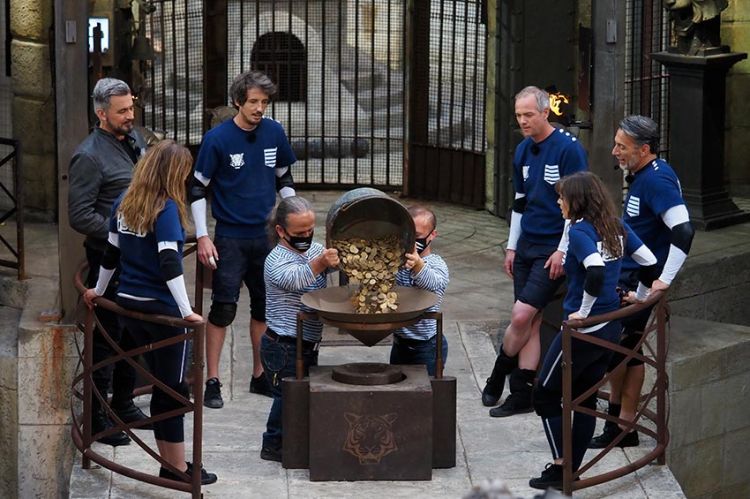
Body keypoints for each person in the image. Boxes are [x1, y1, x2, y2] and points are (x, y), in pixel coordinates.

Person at [84, 140, 217, 485]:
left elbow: (110, 256)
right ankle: (177, 469)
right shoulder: (167, 209)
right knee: (173, 391)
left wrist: (97, 292)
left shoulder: (123, 203)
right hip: (162, 313)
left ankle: (170, 463)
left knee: (161, 385)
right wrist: (187, 312)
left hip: (127, 306)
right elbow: (170, 263)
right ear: (174, 173)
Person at [529, 172, 657, 490]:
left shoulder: (580, 230)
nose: (558, 201)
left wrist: (582, 314)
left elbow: (595, 271)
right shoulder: (615, 224)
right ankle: (572, 471)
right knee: (583, 398)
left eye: (562, 197)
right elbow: (650, 261)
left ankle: (561, 467)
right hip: (610, 328)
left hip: (584, 331)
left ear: (577, 200)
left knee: (544, 394)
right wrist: (640, 298)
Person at [189, 70, 297, 408]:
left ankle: (260, 374)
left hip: (266, 237)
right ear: (238, 101)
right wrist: (204, 236)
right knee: (222, 309)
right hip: (230, 237)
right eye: (253, 101)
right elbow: (197, 188)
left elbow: (285, 178)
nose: (259, 108)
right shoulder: (218, 139)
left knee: (265, 307)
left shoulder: (274, 132)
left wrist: (291, 220)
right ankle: (213, 380)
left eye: (264, 102)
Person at [589, 115, 694, 450]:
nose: (614, 151)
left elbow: (684, 231)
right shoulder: (643, 175)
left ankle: (622, 424)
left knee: (621, 348)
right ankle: (620, 421)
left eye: (622, 146)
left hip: (641, 282)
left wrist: (663, 280)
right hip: (631, 277)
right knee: (624, 351)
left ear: (644, 149)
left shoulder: (656, 181)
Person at [482, 86, 588, 417]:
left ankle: (499, 372)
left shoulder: (569, 149)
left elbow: (578, 206)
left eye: (529, 114)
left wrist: (562, 250)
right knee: (533, 317)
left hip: (552, 247)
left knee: (521, 315)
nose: (524, 121)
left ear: (546, 112)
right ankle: (522, 391)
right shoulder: (522, 151)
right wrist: (512, 246)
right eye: (519, 115)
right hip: (527, 243)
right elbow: (519, 202)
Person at [68, 77, 149, 446]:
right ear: (102, 113)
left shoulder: (134, 139)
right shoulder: (88, 155)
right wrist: (119, 232)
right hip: (107, 258)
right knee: (106, 337)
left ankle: (124, 403)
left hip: (136, 258)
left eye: (131, 107)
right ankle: (97, 418)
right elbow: (80, 215)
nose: (130, 115)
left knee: (133, 333)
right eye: (122, 111)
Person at [259, 196, 339, 462]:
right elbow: (297, 279)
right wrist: (322, 263)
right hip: (283, 343)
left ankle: (295, 439)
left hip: (307, 340)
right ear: (281, 231)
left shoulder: (316, 250)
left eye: (310, 230)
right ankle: (273, 444)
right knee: (287, 395)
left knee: (301, 392)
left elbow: (325, 267)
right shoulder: (276, 260)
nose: (306, 236)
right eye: (299, 233)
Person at [389, 205, 449, 376]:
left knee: (426, 391)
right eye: (407, 235)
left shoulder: (436, 263)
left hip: (426, 346)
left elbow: (434, 284)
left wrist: (418, 265)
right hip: (400, 343)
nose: (412, 242)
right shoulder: (397, 263)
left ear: (432, 235)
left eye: (418, 237)